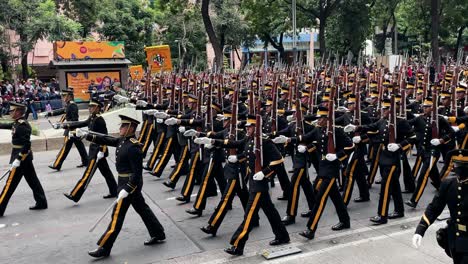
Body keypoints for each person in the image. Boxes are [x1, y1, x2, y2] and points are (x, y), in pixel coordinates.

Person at [75, 115, 166, 258]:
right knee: (142, 208)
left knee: (116, 216)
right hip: (123, 183)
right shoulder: (123, 141)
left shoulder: (134, 148)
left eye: (123, 126)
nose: (120, 128)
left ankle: (104, 247)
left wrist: (128, 188)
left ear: (130, 128)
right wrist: (87, 136)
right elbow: (107, 139)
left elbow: (137, 174)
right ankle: (158, 233)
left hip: (130, 184)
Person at [412, 149, 468, 264]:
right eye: (457, 164)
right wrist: (420, 229)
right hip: (455, 238)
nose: (459, 169)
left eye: (463, 166)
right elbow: (434, 208)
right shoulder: (449, 184)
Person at [60, 99, 117, 202]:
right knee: (106, 172)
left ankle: (75, 195)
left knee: (87, 174)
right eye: (89, 106)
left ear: (98, 108)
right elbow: (82, 123)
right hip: (94, 149)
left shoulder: (99, 120)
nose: (89, 108)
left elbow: (104, 137)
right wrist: (66, 125)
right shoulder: (92, 118)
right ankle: (114, 191)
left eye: (92, 106)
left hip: (98, 150)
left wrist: (102, 150)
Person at [0, 102, 47, 216]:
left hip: (21, 157)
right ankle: (41, 202)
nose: (10, 112)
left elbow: (26, 145)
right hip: (23, 158)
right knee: (33, 180)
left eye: (12, 111)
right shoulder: (17, 123)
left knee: (9, 184)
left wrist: (18, 159)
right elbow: (6, 125)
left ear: (18, 112)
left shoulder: (22, 126)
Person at [48, 89, 88, 170]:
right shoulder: (69, 104)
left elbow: (74, 120)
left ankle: (57, 164)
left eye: (64, 96)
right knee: (80, 146)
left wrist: (63, 126)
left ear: (69, 96)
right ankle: (86, 161)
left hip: (71, 130)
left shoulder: (72, 105)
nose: (63, 97)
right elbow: (63, 111)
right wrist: (50, 113)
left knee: (65, 148)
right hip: (72, 129)